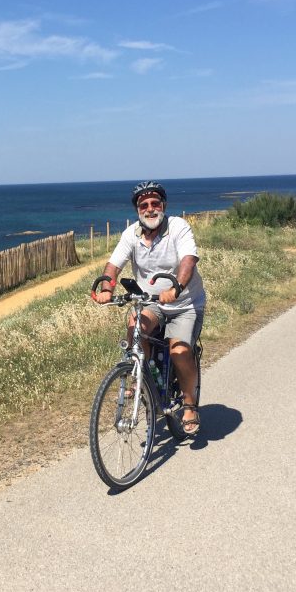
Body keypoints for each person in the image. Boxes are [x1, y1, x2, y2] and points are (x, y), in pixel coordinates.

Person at [92, 181, 206, 436]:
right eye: (144, 205)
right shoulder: (131, 234)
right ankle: (140, 379)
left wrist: (176, 288)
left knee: (179, 351)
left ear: (163, 205)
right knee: (135, 327)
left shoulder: (178, 227)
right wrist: (107, 288)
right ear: (137, 210)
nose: (150, 209)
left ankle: (189, 405)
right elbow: (114, 265)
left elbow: (188, 260)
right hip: (151, 301)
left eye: (155, 203)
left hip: (184, 303)